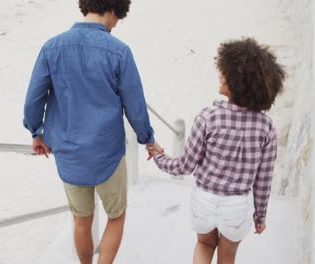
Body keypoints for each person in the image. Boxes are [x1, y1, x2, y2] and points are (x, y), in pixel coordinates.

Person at [23, 0, 156, 263]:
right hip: (107, 153)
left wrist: (36, 133)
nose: (117, 23)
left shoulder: (52, 47)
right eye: (119, 17)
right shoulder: (119, 52)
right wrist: (148, 139)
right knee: (116, 217)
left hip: (69, 152)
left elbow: (33, 100)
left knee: (81, 220)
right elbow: (135, 105)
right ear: (113, 10)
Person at [148, 38, 285, 264]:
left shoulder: (208, 117)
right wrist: (260, 215)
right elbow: (263, 180)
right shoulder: (266, 127)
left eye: (226, 73)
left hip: (204, 200)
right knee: (227, 256)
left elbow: (184, 166)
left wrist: (158, 157)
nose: (220, 75)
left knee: (204, 244)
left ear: (238, 82)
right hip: (237, 207)